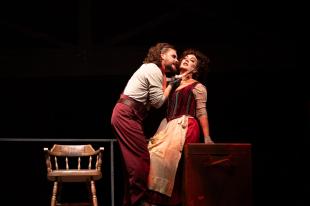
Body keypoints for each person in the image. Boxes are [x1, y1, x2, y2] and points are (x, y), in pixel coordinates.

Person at [111, 42, 180, 206]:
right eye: (174, 56)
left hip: (129, 115)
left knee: (133, 163)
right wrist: (171, 85)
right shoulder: (153, 69)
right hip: (126, 115)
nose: (176, 60)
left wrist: (170, 81)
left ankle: (130, 201)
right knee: (141, 159)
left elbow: (158, 87)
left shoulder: (156, 71)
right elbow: (158, 102)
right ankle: (140, 201)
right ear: (162, 55)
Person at [146, 48, 214, 206]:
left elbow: (202, 112)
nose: (186, 60)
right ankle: (156, 199)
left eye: (192, 61)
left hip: (185, 125)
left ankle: (169, 200)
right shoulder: (171, 84)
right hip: (169, 126)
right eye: (186, 58)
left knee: (171, 161)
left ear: (195, 69)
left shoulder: (197, 87)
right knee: (152, 154)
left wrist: (207, 137)